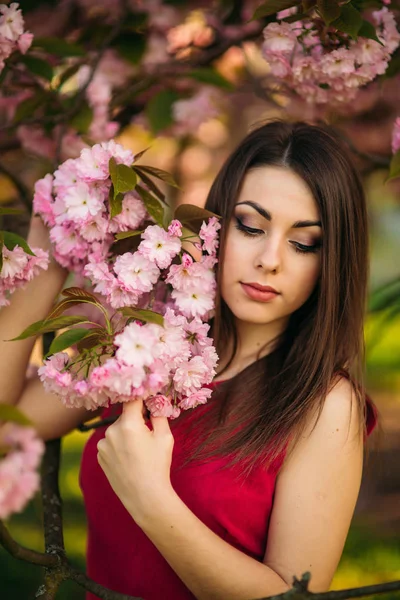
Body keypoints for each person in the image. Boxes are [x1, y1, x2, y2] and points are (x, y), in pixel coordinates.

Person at [0, 120, 377, 600]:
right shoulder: (146, 340)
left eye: (304, 243)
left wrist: (150, 498)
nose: (270, 259)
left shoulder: (326, 405)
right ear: (215, 224)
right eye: (250, 226)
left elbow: (292, 596)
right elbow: (7, 424)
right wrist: (48, 259)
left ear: (332, 261)